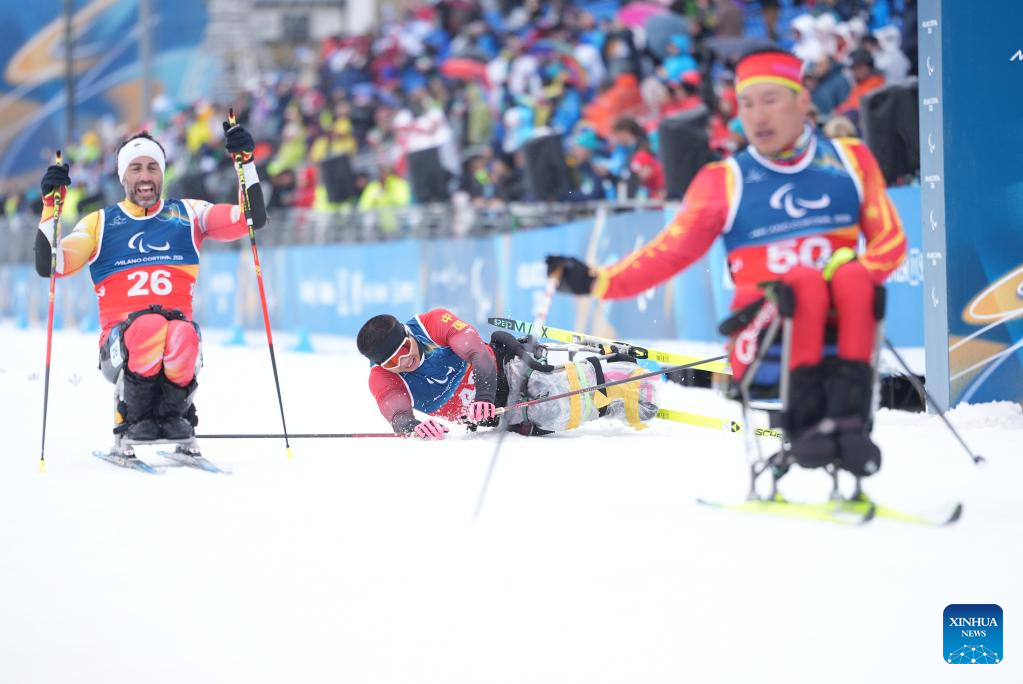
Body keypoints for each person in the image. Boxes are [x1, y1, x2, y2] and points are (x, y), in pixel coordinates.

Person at [546, 49, 907, 478]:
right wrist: (597, 281)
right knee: (805, 283)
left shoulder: (850, 160)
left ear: (803, 101)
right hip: (763, 333)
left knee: (850, 279)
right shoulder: (724, 179)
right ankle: (808, 426)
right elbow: (670, 252)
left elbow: (891, 242)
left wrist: (852, 269)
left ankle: (848, 427)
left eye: (770, 100)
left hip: (839, 321)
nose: (757, 116)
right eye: (746, 104)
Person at [35, 120, 267, 443]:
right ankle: (135, 415)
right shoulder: (99, 223)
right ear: (123, 177)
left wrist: (246, 164)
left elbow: (250, 219)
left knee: (184, 332)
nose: (145, 176)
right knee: (149, 325)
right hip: (119, 347)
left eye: (152, 167)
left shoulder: (188, 214)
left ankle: (174, 415)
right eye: (136, 168)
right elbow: (51, 263)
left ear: (162, 173)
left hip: (177, 341)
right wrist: (51, 206)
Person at [356, 309, 659, 439]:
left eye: (405, 349)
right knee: (551, 417)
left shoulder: (431, 323)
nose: (405, 361)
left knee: (549, 393)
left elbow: (478, 354)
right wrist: (415, 427)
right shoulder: (381, 378)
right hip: (493, 415)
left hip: (502, 371)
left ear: (408, 334)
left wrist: (485, 396)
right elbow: (397, 415)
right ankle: (611, 402)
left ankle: (624, 376)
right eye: (394, 362)